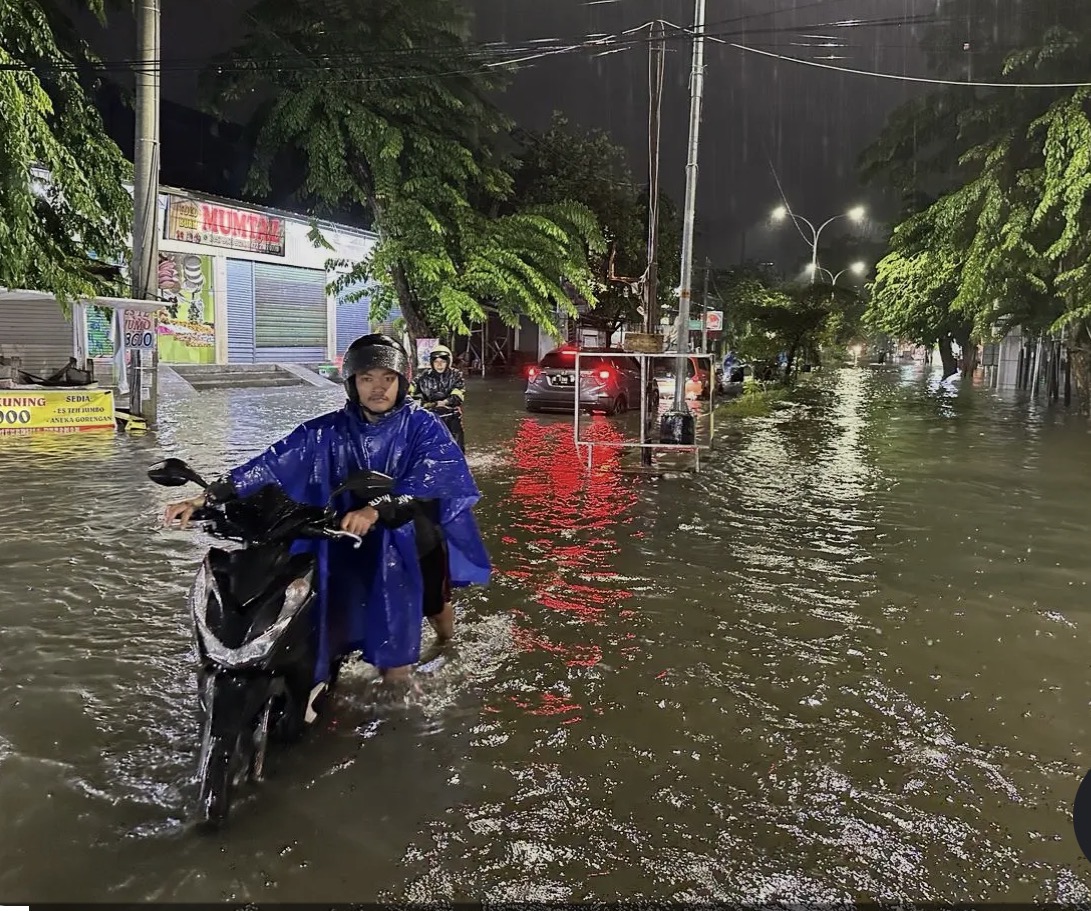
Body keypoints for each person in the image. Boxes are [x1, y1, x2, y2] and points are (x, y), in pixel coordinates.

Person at [162, 334, 490, 707]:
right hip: (342, 535)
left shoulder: (423, 426)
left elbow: (431, 479)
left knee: (430, 607)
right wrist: (207, 495)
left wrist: (377, 509)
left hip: (410, 535)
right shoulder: (325, 430)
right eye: (367, 378)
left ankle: (444, 644)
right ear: (352, 383)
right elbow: (270, 463)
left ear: (402, 381)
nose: (378, 387)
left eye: (387, 378)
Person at [409, 344, 466, 451]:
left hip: (451, 418)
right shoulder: (423, 376)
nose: (439, 365)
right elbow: (410, 391)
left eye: (443, 362)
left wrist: (442, 403)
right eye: (436, 362)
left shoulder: (456, 375)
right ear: (431, 363)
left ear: (448, 362)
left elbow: (457, 396)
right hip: (429, 418)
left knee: (456, 451)